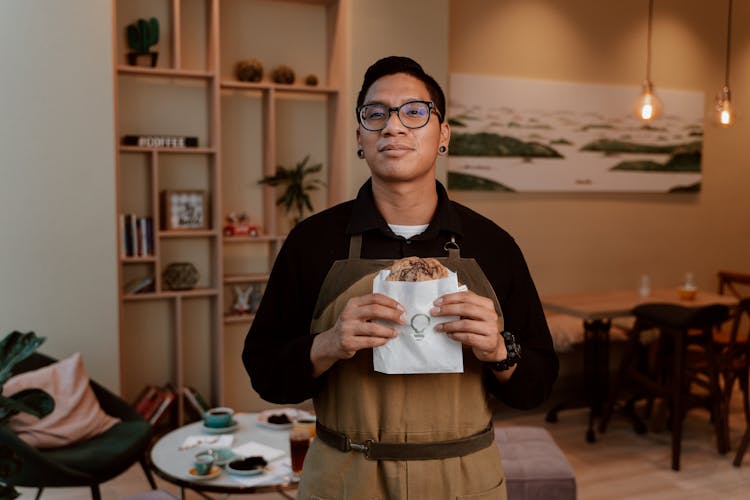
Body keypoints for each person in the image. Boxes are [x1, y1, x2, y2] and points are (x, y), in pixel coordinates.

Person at [243, 56, 558, 499]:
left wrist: (498, 350)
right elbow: (265, 373)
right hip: (344, 482)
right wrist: (328, 344)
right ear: (360, 137)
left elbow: (537, 386)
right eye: (376, 114)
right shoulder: (311, 243)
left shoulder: (494, 246)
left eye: (414, 111)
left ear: (443, 134)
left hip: (464, 483)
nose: (393, 127)